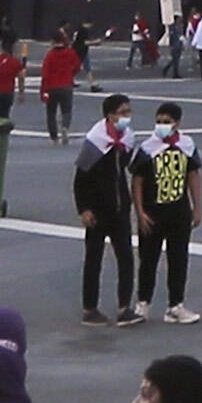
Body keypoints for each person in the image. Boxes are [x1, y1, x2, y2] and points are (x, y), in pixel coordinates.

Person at [132, 105, 202, 325]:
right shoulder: (147, 148)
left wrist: (197, 207)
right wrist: (140, 212)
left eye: (167, 121)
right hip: (153, 213)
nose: (162, 125)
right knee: (148, 259)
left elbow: (193, 176)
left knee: (179, 258)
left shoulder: (187, 146)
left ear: (177, 123)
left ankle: (176, 305)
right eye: (159, 121)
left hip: (179, 211)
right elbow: (137, 181)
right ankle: (143, 303)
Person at [72, 94, 140, 323]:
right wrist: (84, 209)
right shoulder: (95, 141)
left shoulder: (127, 138)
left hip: (120, 207)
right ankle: (89, 308)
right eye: (122, 112)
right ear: (110, 115)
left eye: (128, 112)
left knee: (126, 257)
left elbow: (125, 168)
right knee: (94, 259)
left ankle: (124, 307)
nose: (126, 117)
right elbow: (80, 179)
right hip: (98, 209)